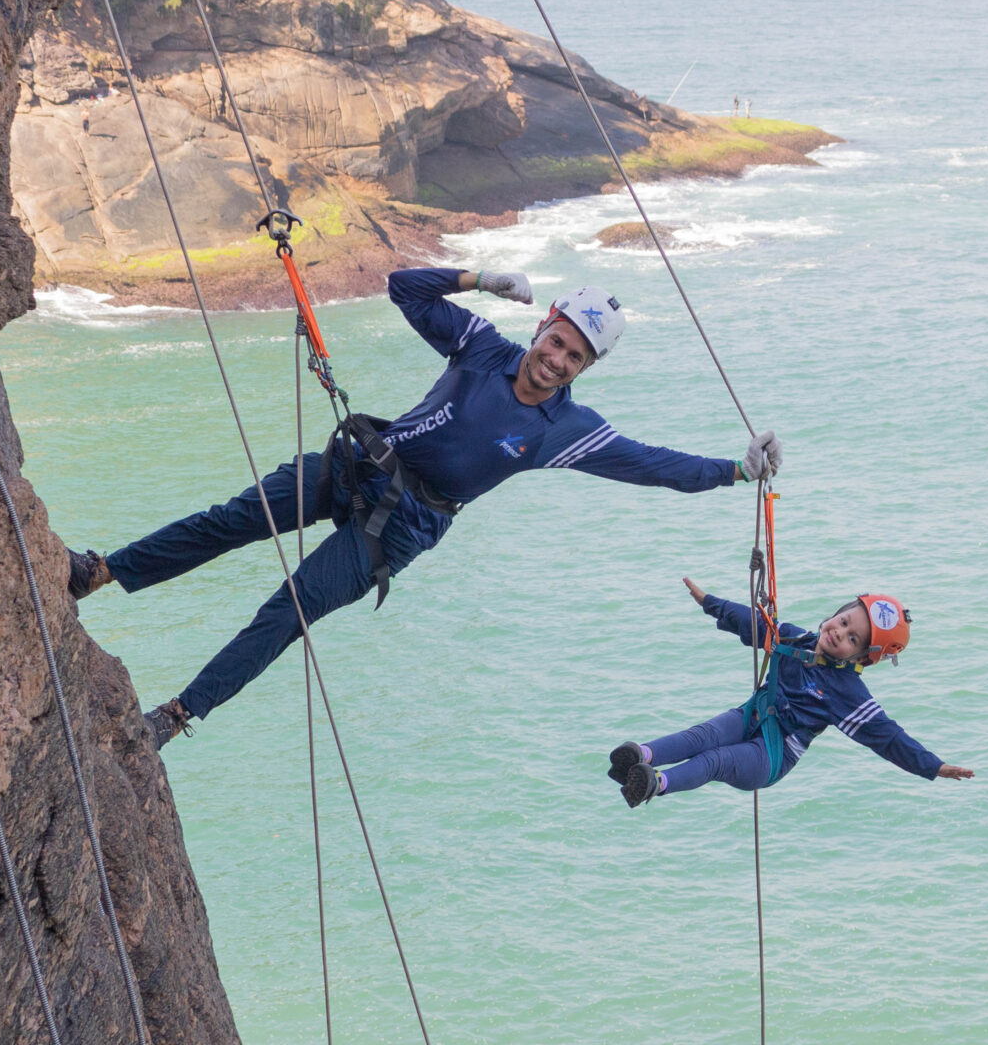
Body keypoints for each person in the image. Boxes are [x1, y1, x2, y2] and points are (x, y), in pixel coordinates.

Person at [71, 268, 780, 746]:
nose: (558, 360)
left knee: (288, 610)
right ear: (546, 327)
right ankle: (100, 572)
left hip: (401, 528)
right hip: (361, 462)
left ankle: (175, 714)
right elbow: (403, 290)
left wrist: (735, 470)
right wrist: (479, 278)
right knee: (229, 520)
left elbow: (659, 467)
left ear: (586, 369)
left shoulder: (568, 431)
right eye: (558, 340)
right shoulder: (481, 346)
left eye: (575, 358)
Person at [609, 577, 973, 805]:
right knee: (702, 735)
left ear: (864, 657)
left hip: (771, 755)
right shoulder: (795, 637)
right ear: (836, 612)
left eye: (852, 639)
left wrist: (934, 767)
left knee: (715, 760)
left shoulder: (849, 693)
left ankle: (656, 784)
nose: (838, 633)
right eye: (843, 621)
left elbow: (890, 738)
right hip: (752, 714)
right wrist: (709, 603)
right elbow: (749, 621)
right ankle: (640, 754)